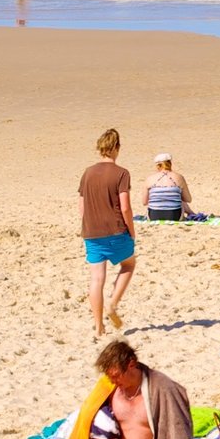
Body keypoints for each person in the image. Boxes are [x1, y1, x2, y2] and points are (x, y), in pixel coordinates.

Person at [81, 128, 137, 337]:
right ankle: (112, 303)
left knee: (96, 279)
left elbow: (81, 206)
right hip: (115, 229)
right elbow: (125, 207)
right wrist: (131, 230)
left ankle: (98, 327)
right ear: (117, 148)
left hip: (91, 231)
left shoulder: (87, 173)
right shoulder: (122, 173)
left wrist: (87, 225)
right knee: (129, 264)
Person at [145, 154, 192, 222]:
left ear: (157, 166)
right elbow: (188, 199)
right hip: (174, 216)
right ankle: (191, 213)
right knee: (179, 198)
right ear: (170, 164)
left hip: (153, 216)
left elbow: (144, 202)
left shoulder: (150, 179)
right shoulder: (179, 177)